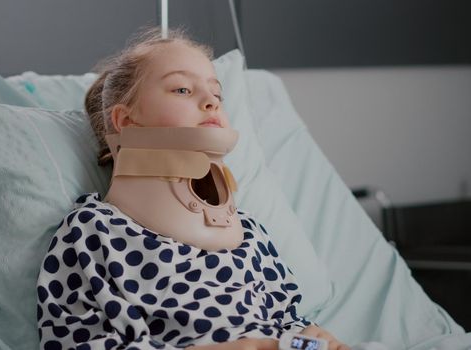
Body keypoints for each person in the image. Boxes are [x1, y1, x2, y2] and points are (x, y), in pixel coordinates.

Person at [36, 27, 350, 350]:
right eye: (183, 89)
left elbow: (286, 320)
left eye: (217, 95)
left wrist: (312, 337)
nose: (211, 102)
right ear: (126, 121)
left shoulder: (251, 233)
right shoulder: (94, 232)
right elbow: (76, 343)